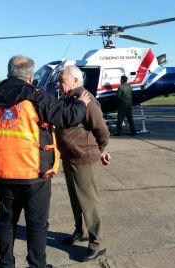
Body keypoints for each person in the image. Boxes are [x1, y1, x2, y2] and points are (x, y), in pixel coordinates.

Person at [0, 56, 91, 268]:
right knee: (37, 225)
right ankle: (37, 265)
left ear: (9, 71)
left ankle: (5, 264)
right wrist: (81, 105)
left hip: (2, 172)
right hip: (34, 174)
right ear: (30, 75)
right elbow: (66, 117)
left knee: (6, 222)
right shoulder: (36, 95)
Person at [56, 65, 110, 262]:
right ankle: (81, 232)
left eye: (63, 80)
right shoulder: (69, 98)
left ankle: (98, 243)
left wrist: (101, 149)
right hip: (70, 157)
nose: (59, 84)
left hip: (84, 158)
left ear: (76, 81)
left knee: (88, 201)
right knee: (76, 199)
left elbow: (102, 130)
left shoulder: (86, 100)